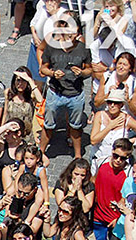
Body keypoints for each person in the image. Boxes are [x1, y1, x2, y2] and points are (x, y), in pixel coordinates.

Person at [40, 18, 92, 159]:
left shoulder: (83, 49)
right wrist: (52, 73)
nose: (72, 36)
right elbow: (43, 68)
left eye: (74, 33)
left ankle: (77, 156)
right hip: (55, 93)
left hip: (75, 94)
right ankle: (41, 153)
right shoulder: (52, 47)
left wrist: (82, 73)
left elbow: (89, 69)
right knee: (48, 125)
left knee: (75, 126)